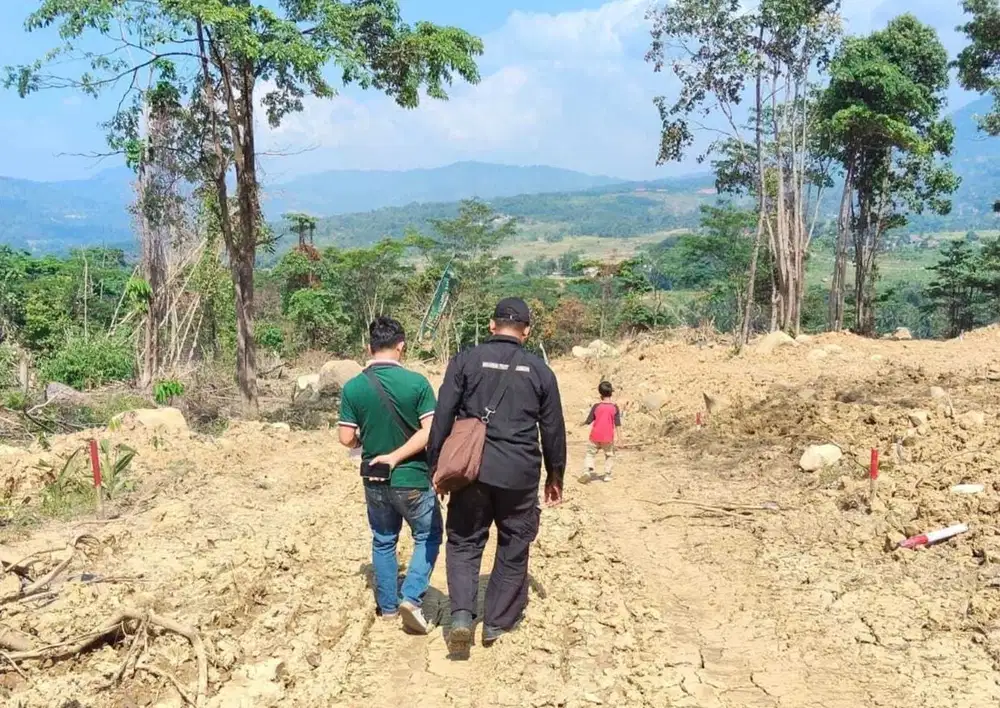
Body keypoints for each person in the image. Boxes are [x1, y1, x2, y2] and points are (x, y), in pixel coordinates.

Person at [428, 297, 567, 655]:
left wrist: (436, 466)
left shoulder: (465, 360)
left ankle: (461, 615)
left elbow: (443, 414)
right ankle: (496, 622)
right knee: (514, 543)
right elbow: (553, 430)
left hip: (472, 470)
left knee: (463, 540)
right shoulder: (540, 371)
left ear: (491, 326)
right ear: (527, 331)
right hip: (519, 474)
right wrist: (556, 475)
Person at [338, 316, 442, 635]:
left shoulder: (354, 387)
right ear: (401, 347)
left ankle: (387, 608)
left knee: (384, 540)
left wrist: (363, 443)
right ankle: (410, 597)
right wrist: (397, 456)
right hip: (411, 478)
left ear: (368, 348)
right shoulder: (417, 384)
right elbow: (430, 431)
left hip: (374, 478)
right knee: (428, 534)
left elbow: (346, 438)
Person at [579, 380, 621, 484]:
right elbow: (618, 424)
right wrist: (620, 439)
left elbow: (589, 420)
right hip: (607, 437)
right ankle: (607, 475)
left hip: (595, 435)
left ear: (600, 393)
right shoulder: (614, 407)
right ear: (611, 392)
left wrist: (582, 423)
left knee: (590, 454)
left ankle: (587, 471)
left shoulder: (596, 406)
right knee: (609, 455)